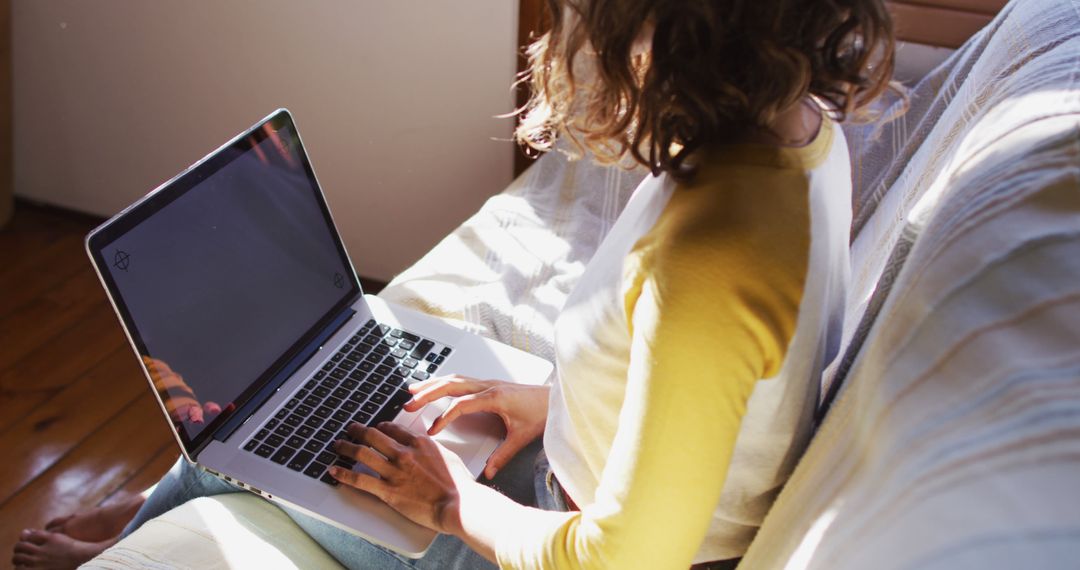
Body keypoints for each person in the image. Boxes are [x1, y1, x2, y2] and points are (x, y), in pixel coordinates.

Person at [12, 0, 896, 567]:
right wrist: (553, 403)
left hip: (561, 535)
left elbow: (622, 560)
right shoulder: (799, 132)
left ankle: (150, 511)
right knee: (292, 400)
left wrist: (449, 501)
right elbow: (716, 383)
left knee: (259, 415)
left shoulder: (719, 247)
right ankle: (169, 493)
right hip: (569, 473)